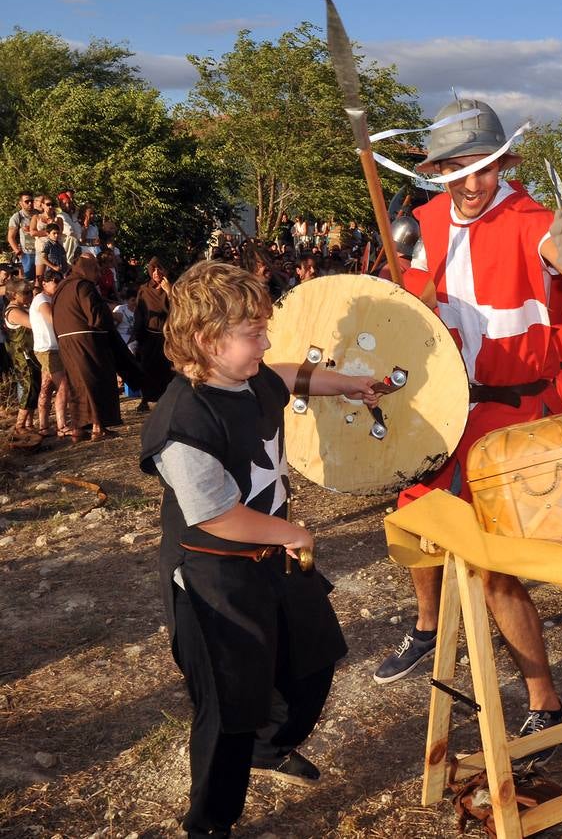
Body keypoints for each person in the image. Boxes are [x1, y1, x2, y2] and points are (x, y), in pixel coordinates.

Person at [139, 261, 379, 839]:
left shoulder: (248, 376)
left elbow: (287, 375)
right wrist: (295, 534)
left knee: (314, 663)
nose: (265, 343)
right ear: (205, 340)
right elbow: (217, 515)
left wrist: (344, 383)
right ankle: (209, 823)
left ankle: (270, 750)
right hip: (211, 579)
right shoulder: (183, 423)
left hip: (270, 561)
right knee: (228, 708)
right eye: (253, 333)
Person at [372, 99, 562, 764]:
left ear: (503, 166)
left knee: (493, 569)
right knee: (411, 518)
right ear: (438, 172)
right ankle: (429, 628)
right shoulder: (425, 222)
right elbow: (402, 310)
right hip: (443, 406)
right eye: (457, 169)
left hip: (508, 412)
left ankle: (545, 699)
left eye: (483, 168)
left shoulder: (531, 221)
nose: (471, 182)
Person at [54, 254, 140, 440]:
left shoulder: (62, 287)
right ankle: (98, 428)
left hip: (66, 344)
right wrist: (111, 315)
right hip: (87, 342)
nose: (99, 274)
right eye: (96, 270)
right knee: (96, 382)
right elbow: (96, 317)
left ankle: (77, 428)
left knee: (78, 385)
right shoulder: (84, 286)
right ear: (88, 269)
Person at [30, 270, 75, 438]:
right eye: (55, 282)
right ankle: (61, 425)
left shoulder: (51, 299)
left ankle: (43, 426)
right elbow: (52, 318)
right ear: (44, 284)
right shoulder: (42, 299)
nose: (58, 285)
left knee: (47, 387)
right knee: (63, 385)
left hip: (50, 348)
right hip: (49, 349)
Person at [4, 279, 41, 436]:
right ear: (13, 295)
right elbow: (35, 323)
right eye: (25, 292)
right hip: (22, 356)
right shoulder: (13, 311)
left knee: (34, 387)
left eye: (30, 291)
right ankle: (20, 425)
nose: (30, 294)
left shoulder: (22, 307)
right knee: (29, 388)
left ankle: (29, 423)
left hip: (30, 354)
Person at [135, 257, 173, 411]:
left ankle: (168, 398)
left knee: (167, 369)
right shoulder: (144, 289)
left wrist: (169, 291)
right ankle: (145, 399)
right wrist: (137, 335)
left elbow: (180, 309)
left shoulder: (173, 287)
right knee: (147, 367)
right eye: (153, 269)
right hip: (149, 336)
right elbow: (140, 312)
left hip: (167, 336)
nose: (157, 272)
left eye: (160, 268)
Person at [8, 192, 37, 280]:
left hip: (41, 252)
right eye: (27, 201)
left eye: (32, 201)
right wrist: (18, 252)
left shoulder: (39, 214)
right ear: (20, 203)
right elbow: (10, 237)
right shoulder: (17, 217)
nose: (30, 203)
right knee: (28, 281)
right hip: (28, 254)